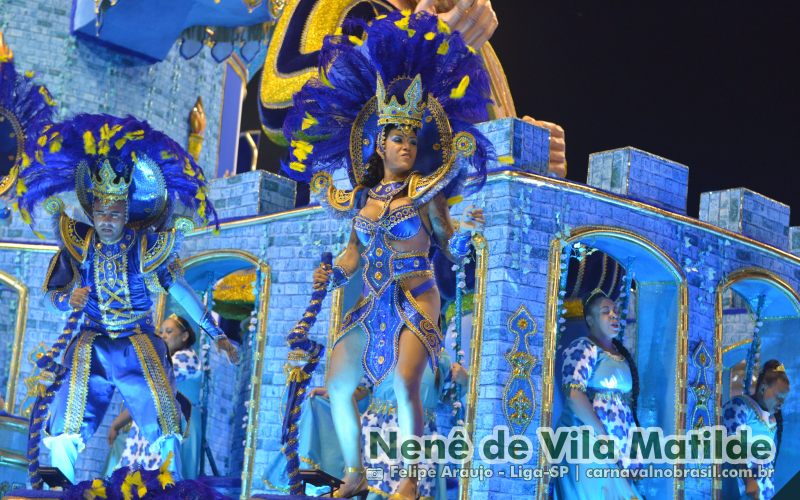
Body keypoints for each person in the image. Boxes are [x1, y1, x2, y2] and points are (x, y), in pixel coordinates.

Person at [283, 11, 492, 499]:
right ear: (379, 142)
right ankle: (354, 472)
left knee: (404, 383)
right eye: (397, 137)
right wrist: (332, 274)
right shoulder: (362, 198)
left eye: (411, 139)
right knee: (336, 383)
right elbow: (353, 256)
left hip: (417, 297)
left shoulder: (426, 192)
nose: (405, 146)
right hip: (371, 301)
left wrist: (467, 237)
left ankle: (409, 480)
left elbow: (448, 240)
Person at [15, 114, 239, 483]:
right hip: (93, 344)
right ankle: (62, 491)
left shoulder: (144, 247)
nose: (106, 220)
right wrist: (69, 299)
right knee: (64, 423)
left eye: (115, 212)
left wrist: (216, 335)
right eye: (101, 212)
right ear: (92, 210)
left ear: (125, 212)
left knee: (165, 422)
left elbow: (179, 289)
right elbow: (53, 294)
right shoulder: (79, 242)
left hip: (137, 343)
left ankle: (172, 490)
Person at [553, 291, 641, 500]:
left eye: (615, 311)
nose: (613, 315)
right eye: (605, 312)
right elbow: (574, 393)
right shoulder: (583, 348)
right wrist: (601, 435)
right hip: (586, 438)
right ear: (590, 320)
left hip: (617, 441)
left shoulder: (620, 355)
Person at [104, 314, 204, 479]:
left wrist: (117, 423)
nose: (163, 335)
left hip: (180, 422)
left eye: (169, 331)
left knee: (169, 475)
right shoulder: (166, 360)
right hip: (159, 420)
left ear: (184, 336)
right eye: (161, 331)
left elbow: (150, 390)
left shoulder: (186, 359)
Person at [721, 360, 790, 500]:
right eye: (779, 397)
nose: (781, 403)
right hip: (739, 489)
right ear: (764, 388)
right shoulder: (739, 406)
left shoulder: (772, 422)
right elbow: (731, 445)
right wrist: (749, 480)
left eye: (784, 399)